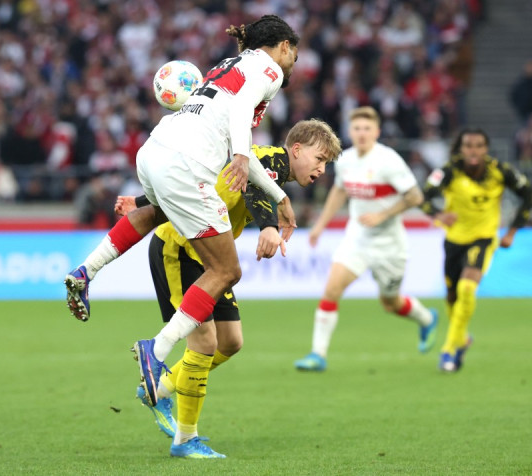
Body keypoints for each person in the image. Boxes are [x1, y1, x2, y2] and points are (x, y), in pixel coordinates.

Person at [63, 13, 300, 425]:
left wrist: (279, 196)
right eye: (294, 53)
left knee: (156, 211)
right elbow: (241, 115)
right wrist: (241, 156)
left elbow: (235, 135)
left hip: (155, 150)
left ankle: (85, 271)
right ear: (283, 46)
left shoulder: (228, 65)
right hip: (187, 165)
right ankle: (156, 351)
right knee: (225, 270)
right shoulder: (269, 68)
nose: (294, 62)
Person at [116, 119, 341, 458]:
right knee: (204, 343)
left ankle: (159, 390)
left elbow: (206, 180)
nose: (322, 169)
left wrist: (139, 200)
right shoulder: (266, 159)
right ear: (296, 150)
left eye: (326, 163)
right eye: (319, 159)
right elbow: (253, 186)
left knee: (231, 341)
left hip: (211, 259)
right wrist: (267, 226)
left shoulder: (273, 173)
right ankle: (185, 439)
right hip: (180, 248)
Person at [295, 106, 438, 372]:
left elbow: (415, 197)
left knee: (390, 302)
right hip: (357, 240)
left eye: (367, 129)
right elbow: (339, 191)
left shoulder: (389, 161)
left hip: (390, 245)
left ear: (377, 132)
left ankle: (427, 319)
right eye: (357, 128)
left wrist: (383, 215)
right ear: (350, 132)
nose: (361, 133)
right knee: (331, 290)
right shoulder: (345, 160)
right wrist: (320, 225)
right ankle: (317, 354)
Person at [421, 127, 531, 372]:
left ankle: (448, 350)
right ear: (461, 148)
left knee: (467, 288)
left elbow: (528, 193)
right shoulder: (448, 171)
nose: (473, 151)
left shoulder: (500, 171)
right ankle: (462, 339)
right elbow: (424, 196)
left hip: (483, 239)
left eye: (479, 146)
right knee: (452, 297)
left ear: (486, 149)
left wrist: (512, 231)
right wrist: (439, 214)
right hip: (454, 240)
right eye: (468, 146)